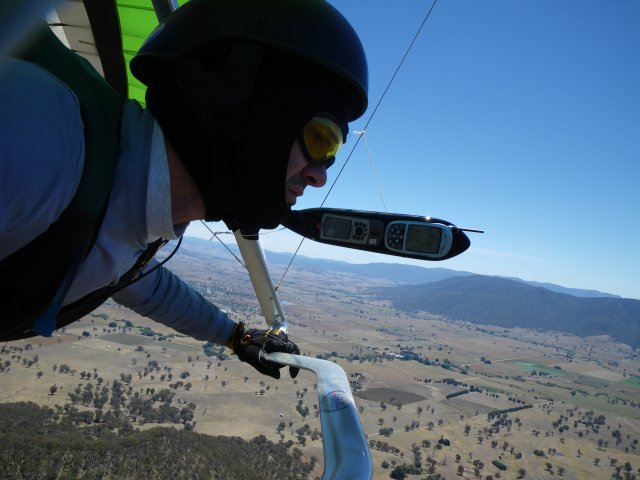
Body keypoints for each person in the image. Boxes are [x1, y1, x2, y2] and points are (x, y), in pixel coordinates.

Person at [0, 0, 368, 379]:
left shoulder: (125, 205)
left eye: (330, 153)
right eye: (321, 139)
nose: (319, 176)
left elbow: (139, 280)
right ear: (243, 107)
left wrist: (236, 337)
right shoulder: (40, 140)